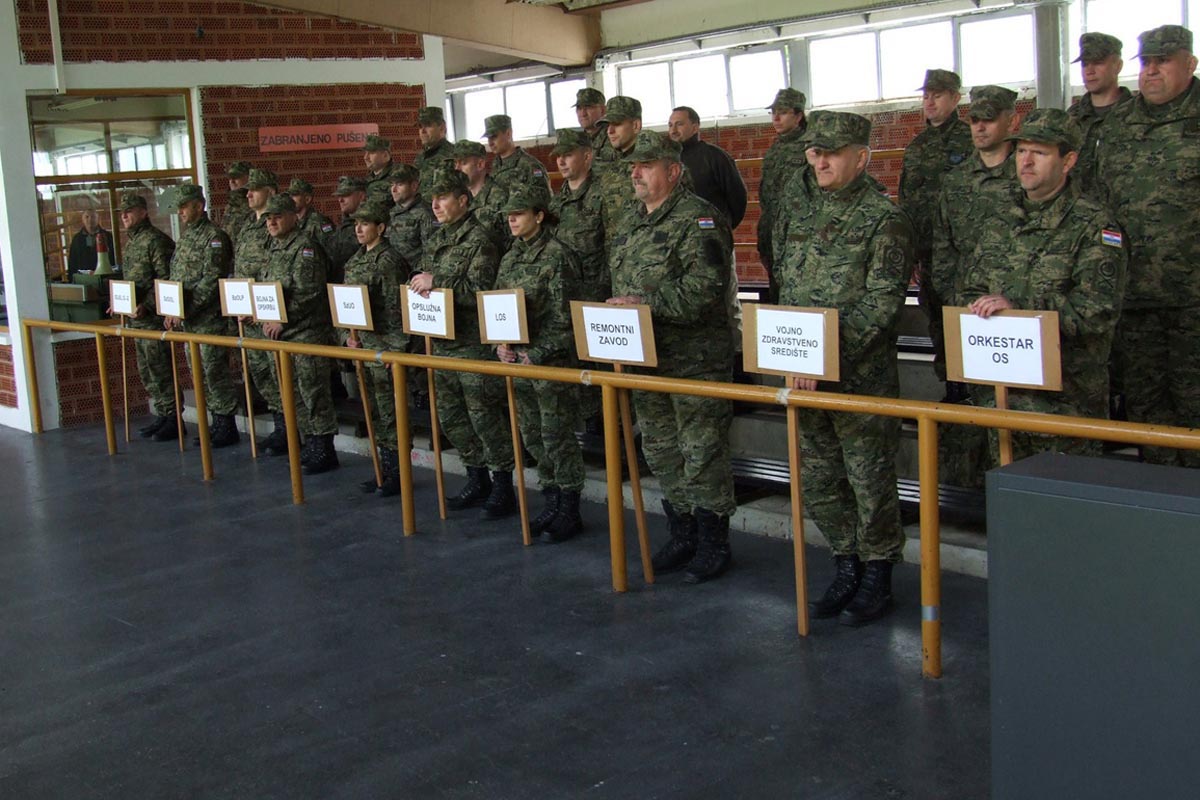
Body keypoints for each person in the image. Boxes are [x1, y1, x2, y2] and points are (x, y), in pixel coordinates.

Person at [775, 112, 914, 626]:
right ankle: (846, 561)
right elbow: (787, 289)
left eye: (832, 153)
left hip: (860, 380)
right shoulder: (802, 215)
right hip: (805, 377)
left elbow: (882, 304)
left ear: (862, 157)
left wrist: (821, 357)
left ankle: (878, 571)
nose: (821, 161)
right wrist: (790, 352)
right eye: (815, 152)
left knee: (868, 480)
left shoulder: (885, 219)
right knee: (820, 479)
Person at [962, 108, 1128, 460]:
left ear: (1068, 161)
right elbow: (970, 286)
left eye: (1039, 152)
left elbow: (1096, 312)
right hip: (1002, 398)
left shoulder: (1094, 226)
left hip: (1065, 404)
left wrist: (1018, 309)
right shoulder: (998, 218)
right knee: (1008, 490)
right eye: (1021, 150)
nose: (1026, 161)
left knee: (1066, 493)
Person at [608, 131, 736, 584]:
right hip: (647, 358)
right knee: (661, 450)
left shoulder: (699, 219)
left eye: (646, 165)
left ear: (674, 171)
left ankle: (713, 541)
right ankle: (683, 532)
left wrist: (643, 304)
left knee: (701, 452)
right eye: (633, 166)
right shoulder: (630, 221)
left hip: (695, 360)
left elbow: (705, 288)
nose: (635, 173)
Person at [1097, 24, 1200, 467]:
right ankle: (1161, 498)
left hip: (1194, 300)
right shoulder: (1119, 124)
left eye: (1163, 61)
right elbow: (1098, 202)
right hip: (1134, 298)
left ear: (1190, 64)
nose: (1152, 71)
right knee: (1145, 408)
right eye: (1146, 62)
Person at [409, 169, 516, 518]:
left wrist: (436, 280)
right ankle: (476, 477)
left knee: (485, 419)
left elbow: (480, 292)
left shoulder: (479, 240)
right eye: (433, 199)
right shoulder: (438, 239)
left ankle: (502, 486)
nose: (435, 205)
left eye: (443, 198)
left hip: (472, 345)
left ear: (463, 201)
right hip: (443, 342)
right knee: (453, 418)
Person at [495, 186, 587, 542]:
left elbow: (567, 319)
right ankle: (551, 501)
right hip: (520, 363)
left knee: (557, 437)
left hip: (550, 364)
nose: (512, 220)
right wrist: (501, 344)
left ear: (539, 215)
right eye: (509, 215)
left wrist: (538, 352)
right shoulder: (510, 257)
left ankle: (569, 509)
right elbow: (498, 306)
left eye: (519, 213)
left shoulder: (557, 256)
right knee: (533, 436)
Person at [931, 85, 1021, 404]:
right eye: (974, 120)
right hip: (969, 309)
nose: (980, 127)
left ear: (1012, 121)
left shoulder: (1027, 175)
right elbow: (944, 248)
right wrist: (955, 300)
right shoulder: (956, 181)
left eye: (989, 119)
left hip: (1021, 308)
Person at [900, 68, 972, 388]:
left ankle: (970, 389)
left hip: (962, 254)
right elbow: (907, 199)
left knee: (965, 320)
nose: (929, 102)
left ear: (955, 98)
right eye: (926, 96)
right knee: (936, 319)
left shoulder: (970, 140)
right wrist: (912, 250)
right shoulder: (917, 146)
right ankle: (950, 388)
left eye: (937, 95)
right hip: (929, 253)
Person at [261, 194, 339, 474]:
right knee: (291, 392)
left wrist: (282, 320)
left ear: (293, 217)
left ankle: (324, 447)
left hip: (305, 333)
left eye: (277, 217)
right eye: (268, 218)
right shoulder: (273, 248)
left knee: (313, 392)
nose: (271, 222)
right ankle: (310, 442)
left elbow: (309, 292)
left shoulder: (305, 248)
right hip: (281, 335)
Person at [340, 201, 409, 496]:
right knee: (374, 412)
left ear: (380, 228)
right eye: (356, 224)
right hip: (363, 346)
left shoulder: (389, 261)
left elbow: (397, 310)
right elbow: (345, 304)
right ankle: (384, 469)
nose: (358, 229)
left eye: (365, 224)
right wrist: (347, 337)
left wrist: (396, 349)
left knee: (391, 412)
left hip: (384, 347)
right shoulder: (355, 260)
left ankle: (398, 472)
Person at [163, 183, 239, 447]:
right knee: (199, 374)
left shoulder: (214, 237)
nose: (181, 212)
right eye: (179, 207)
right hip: (189, 323)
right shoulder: (185, 239)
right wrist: (173, 310)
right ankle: (214, 422)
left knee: (215, 372)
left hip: (209, 321)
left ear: (199, 205)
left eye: (184, 206)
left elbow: (211, 280)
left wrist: (186, 310)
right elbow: (176, 278)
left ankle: (226, 424)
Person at [668, 104, 748, 349]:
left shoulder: (714, 157)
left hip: (714, 247)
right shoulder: (667, 161)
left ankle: (737, 357)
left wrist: (721, 232)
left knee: (727, 303)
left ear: (695, 126)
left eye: (679, 124)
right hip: (676, 247)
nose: (673, 129)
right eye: (670, 125)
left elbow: (738, 198)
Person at [549, 129, 607, 434]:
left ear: (587, 156)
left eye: (568, 155)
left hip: (598, 300)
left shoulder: (603, 195)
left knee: (603, 375)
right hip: (567, 302)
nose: (561, 161)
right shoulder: (558, 201)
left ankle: (611, 435)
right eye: (558, 156)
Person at [113, 192, 177, 440]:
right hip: (136, 320)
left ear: (143, 212)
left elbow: (165, 280)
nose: (124, 216)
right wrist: (118, 301)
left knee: (160, 368)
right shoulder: (132, 243)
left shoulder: (155, 241)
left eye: (129, 211)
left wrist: (147, 305)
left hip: (152, 319)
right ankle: (162, 414)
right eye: (122, 213)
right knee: (147, 370)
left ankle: (173, 417)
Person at [235, 168, 288, 455]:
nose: (249, 194)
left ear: (271, 191)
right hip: (248, 316)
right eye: (248, 189)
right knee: (262, 376)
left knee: (279, 376)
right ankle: (280, 426)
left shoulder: (277, 227)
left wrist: (263, 308)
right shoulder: (247, 226)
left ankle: (289, 429)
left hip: (269, 314)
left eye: (255, 189)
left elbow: (276, 271)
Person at [758, 88, 809, 301]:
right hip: (772, 229)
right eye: (773, 112)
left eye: (783, 112)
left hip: (797, 231)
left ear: (798, 116)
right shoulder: (776, 147)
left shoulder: (810, 147)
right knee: (775, 288)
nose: (776, 118)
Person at [1068, 33, 1132, 199]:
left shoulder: (1137, 115)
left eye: (1098, 63)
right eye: (1085, 64)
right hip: (1080, 211)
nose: (1089, 71)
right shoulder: (1071, 118)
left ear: (1118, 66)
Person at [597, 95, 642, 242]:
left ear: (636, 125)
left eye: (616, 124)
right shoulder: (610, 171)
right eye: (608, 125)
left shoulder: (659, 168)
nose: (609, 131)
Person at [453, 139, 511, 250]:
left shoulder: (500, 198)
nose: (457, 168)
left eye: (463, 163)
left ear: (480, 164)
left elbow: (513, 242)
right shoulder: (458, 199)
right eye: (455, 163)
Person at [386, 163, 436, 272]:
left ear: (414, 186)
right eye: (392, 184)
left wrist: (418, 275)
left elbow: (430, 252)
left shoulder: (425, 213)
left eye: (399, 184)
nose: (393, 189)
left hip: (413, 274)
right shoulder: (393, 211)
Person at [483, 114, 550, 193]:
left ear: (508, 134)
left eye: (494, 137)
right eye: (488, 138)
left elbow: (543, 197)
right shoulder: (496, 165)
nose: (490, 143)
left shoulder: (530, 166)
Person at [327, 176, 368, 284]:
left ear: (361, 196)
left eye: (345, 195)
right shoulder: (343, 224)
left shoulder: (371, 224)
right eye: (339, 196)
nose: (340, 200)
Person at [415, 106, 456, 199]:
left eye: (428, 125)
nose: (422, 131)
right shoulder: (420, 157)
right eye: (420, 126)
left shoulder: (452, 155)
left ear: (442, 128)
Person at [574, 86, 617, 169]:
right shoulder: (576, 142)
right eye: (579, 108)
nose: (583, 114)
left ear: (603, 110)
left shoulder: (614, 137)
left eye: (588, 107)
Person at [67, 208, 115, 277]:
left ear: (98, 219)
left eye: (93, 217)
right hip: (83, 277)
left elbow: (113, 257)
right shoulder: (77, 239)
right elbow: (72, 260)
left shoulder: (107, 236)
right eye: (87, 217)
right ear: (82, 220)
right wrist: (72, 278)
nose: (90, 220)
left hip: (104, 275)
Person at [289, 178, 335, 243]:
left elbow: (331, 246)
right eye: (290, 195)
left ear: (307, 199)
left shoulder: (320, 222)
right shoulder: (292, 223)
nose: (290, 199)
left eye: (294, 195)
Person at [222, 160, 254, 244]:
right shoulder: (230, 204)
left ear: (249, 177)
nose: (232, 181)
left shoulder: (254, 203)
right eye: (230, 178)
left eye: (236, 177)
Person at [362, 133, 399, 207]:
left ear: (385, 155)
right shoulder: (368, 179)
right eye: (365, 152)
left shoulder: (398, 177)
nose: (365, 157)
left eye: (371, 153)